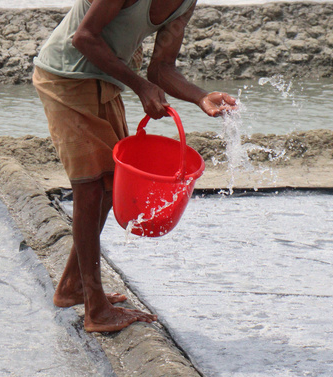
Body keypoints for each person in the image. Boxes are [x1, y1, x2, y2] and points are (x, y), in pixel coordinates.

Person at [33, 0, 237, 332]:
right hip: (65, 76)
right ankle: (95, 310)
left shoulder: (185, 3)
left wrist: (201, 97)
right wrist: (140, 86)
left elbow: (161, 68)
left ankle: (74, 286)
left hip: (105, 81)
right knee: (89, 186)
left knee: (110, 184)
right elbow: (83, 38)